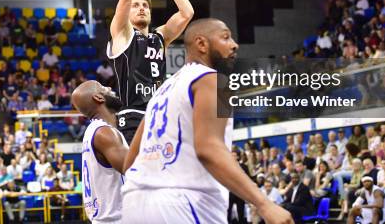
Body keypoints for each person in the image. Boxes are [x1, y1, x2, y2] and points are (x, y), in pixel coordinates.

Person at [120, 18, 293, 224]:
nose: (234, 44)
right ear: (202, 44)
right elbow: (208, 148)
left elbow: (129, 163)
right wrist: (264, 204)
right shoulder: (212, 79)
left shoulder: (162, 91)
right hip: (183, 202)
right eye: (226, 37)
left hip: (135, 205)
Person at [109, 0, 194, 142]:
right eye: (136, 6)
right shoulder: (122, 34)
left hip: (159, 114)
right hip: (133, 116)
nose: (141, 8)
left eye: (145, 5)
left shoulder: (159, 38)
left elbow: (187, 13)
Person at [71, 80, 129, 223]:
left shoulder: (93, 132)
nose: (109, 88)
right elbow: (136, 170)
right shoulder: (104, 133)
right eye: (104, 88)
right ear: (99, 97)